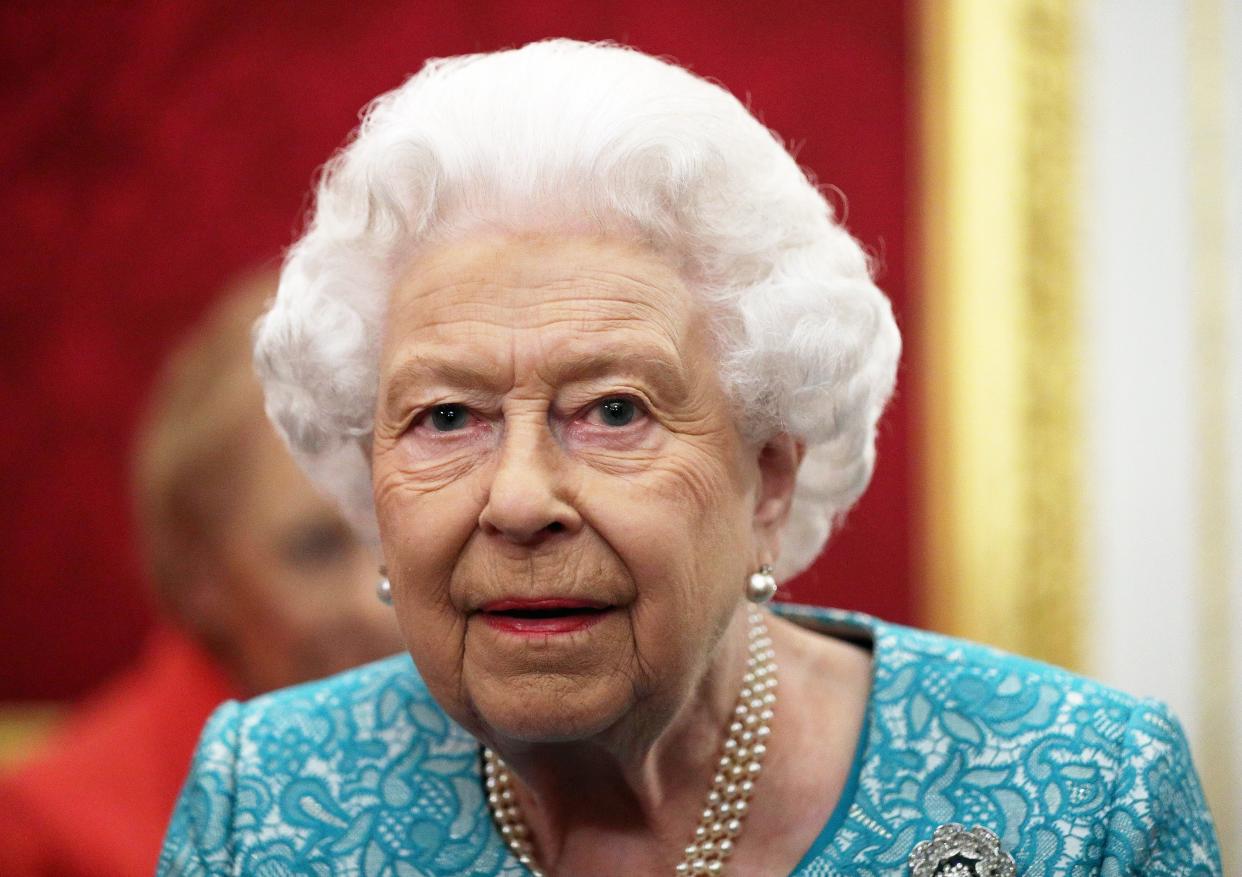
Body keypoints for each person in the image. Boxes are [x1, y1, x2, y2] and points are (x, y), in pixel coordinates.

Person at [157, 41, 1222, 876]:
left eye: (613, 409)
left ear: (768, 472)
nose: (520, 498)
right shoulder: (268, 805)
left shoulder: (1078, 796)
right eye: (446, 418)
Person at [0, 273, 404, 877]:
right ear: (200, 576)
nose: (380, 601)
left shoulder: (539, 769)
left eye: (399, 532)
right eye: (314, 550)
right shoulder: (54, 835)